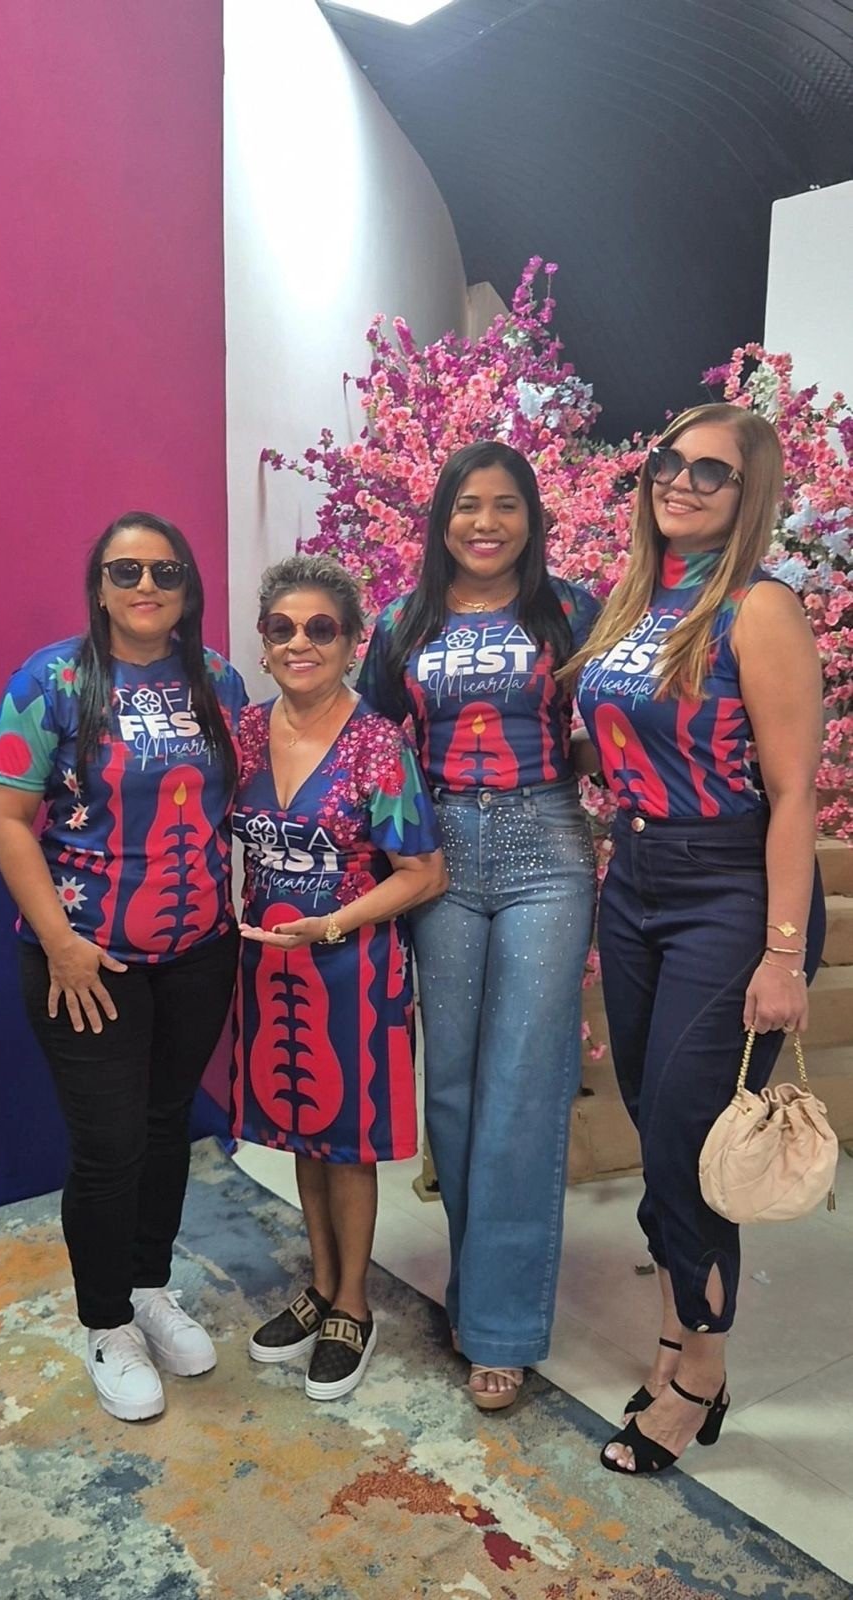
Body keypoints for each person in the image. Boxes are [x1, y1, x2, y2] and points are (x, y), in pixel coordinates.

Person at [569, 403, 826, 1474]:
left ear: (748, 490)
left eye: (708, 471)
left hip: (730, 891)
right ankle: (678, 1335)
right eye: (667, 462)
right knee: (655, 1121)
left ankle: (702, 1376)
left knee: (685, 1134)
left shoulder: (759, 607)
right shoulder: (638, 598)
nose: (678, 481)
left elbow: (794, 792)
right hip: (635, 878)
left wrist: (781, 953)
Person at [0, 512, 246, 1421]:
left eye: (165, 571)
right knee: (108, 1148)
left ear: (187, 587)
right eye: (125, 570)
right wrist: (59, 940)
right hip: (86, 961)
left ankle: (148, 1288)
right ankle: (105, 1322)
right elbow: (6, 818)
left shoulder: (217, 680)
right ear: (99, 585)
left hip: (199, 952)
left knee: (168, 1126)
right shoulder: (51, 679)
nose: (146, 587)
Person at [358, 440, 600, 1409]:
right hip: (443, 849)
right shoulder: (401, 621)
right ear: (443, 519)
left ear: (532, 518)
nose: (486, 522)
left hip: (547, 847)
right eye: (468, 504)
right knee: (454, 1089)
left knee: (524, 1086)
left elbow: (614, 718)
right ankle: (478, 1285)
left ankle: (500, 1326)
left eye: (506, 504)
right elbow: (372, 740)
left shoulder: (571, 611)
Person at [233, 555, 446, 1401]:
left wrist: (333, 924)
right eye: (281, 628)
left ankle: (353, 1303)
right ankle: (319, 1285)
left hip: (353, 966)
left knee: (347, 1143)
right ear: (262, 641)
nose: (300, 643)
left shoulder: (375, 743)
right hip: (269, 964)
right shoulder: (246, 733)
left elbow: (423, 872)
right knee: (299, 1125)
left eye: (321, 628)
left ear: (353, 641)